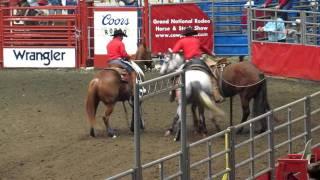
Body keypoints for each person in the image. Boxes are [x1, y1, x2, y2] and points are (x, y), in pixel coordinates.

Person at [170, 27, 224, 103]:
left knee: (175, 76)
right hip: (199, 61)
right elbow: (206, 49)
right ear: (192, 34)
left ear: (185, 34)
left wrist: (181, 51)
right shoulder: (197, 40)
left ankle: (174, 95)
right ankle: (217, 96)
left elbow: (174, 51)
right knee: (212, 75)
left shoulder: (181, 41)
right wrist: (212, 54)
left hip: (188, 61)